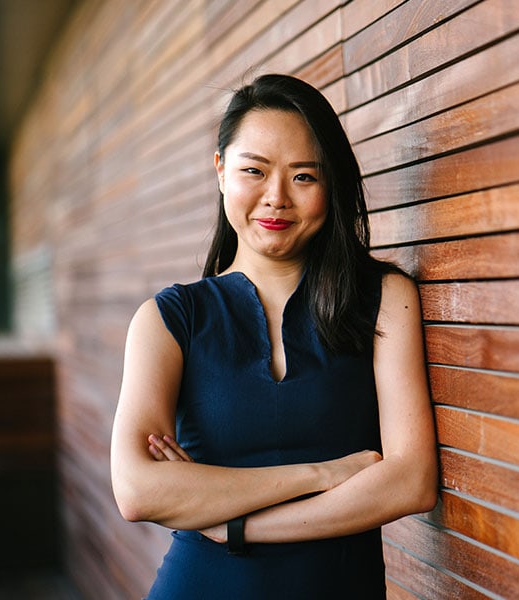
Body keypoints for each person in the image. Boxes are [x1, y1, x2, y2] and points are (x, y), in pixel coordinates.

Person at [110, 73, 438, 599]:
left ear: (331, 184)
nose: (276, 198)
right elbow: (136, 490)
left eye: (304, 176)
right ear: (220, 172)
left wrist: (234, 523)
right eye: (254, 172)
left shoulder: (384, 300)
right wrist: (323, 473)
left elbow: (411, 480)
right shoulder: (169, 319)